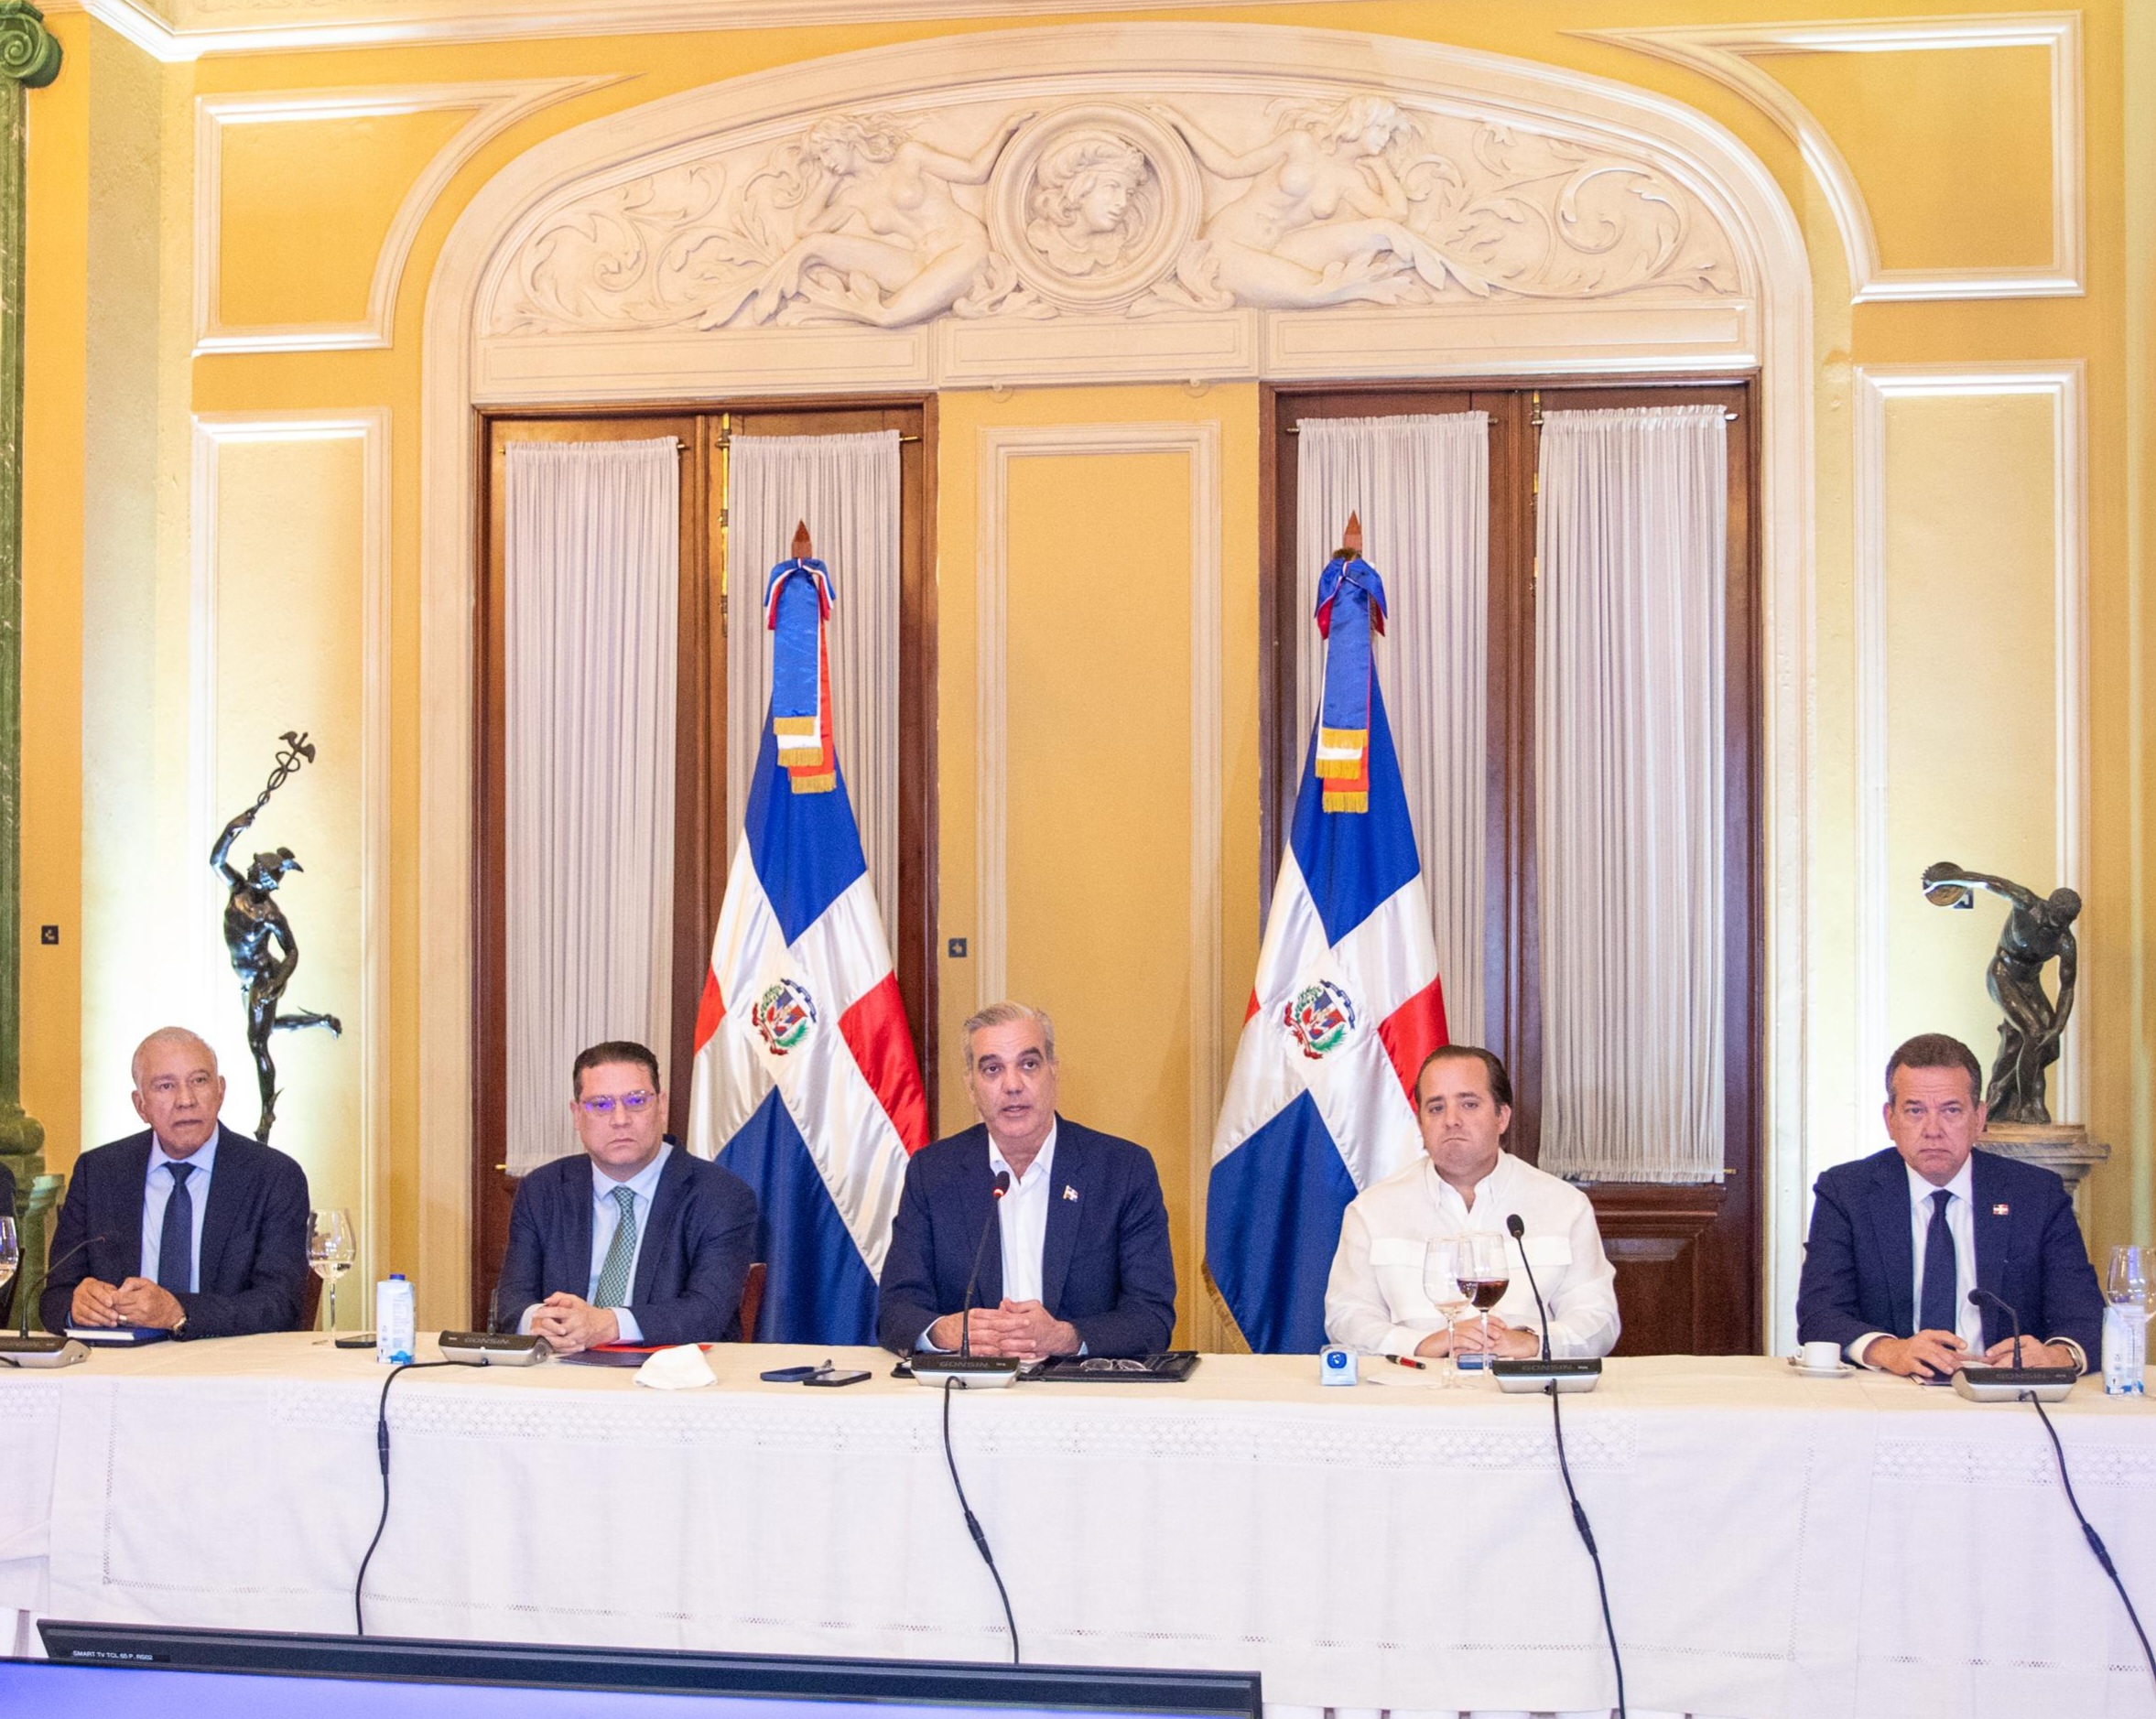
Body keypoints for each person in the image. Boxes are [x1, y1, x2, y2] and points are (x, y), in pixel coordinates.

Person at [877, 1002, 1176, 1360]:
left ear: (1053, 1072)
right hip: (970, 1384)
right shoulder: (933, 1173)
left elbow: (1152, 1318)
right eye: (992, 1069)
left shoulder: (1122, 1171)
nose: (1013, 1085)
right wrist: (946, 1332)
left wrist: (1066, 1338)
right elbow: (895, 1311)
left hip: (1080, 1387)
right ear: (971, 1087)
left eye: (1029, 1064)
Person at [1796, 1031, 2103, 1377]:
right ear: (1890, 1120)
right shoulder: (1847, 1192)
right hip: (1891, 1387)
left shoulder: (2035, 1195)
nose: (1933, 1129)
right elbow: (1819, 1316)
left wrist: (2056, 1355)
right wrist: (1890, 1350)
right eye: (1915, 1111)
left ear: (1979, 1118)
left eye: (1951, 1110)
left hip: (2003, 1393)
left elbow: (2085, 1317)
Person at [1325, 1044, 1620, 1360]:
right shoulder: (1372, 1211)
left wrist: (1534, 1343)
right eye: (1436, 1108)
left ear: (1502, 1117)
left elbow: (1598, 1319)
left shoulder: (1564, 1205)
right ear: (1421, 1124)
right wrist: (1422, 1344)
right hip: (1416, 1384)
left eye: (1469, 1104)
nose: (1451, 1120)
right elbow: (1346, 1317)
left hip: (1524, 1385)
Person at [40, 1027, 309, 1338]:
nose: (186, 1100)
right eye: (166, 1086)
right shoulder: (99, 1172)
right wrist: (77, 1307)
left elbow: (280, 1305)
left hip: (228, 1359)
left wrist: (178, 1313)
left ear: (220, 1091)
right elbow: (54, 1297)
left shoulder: (273, 1175)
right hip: (120, 1361)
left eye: (199, 1081)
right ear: (140, 1105)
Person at [495, 1040, 759, 1353]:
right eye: (600, 1105)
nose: (620, 1119)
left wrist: (608, 1324)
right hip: (560, 1366)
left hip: (670, 1373)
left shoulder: (720, 1195)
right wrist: (540, 1321)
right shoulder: (543, 1190)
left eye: (636, 1101)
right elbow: (512, 1302)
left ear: (661, 1106)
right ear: (577, 1115)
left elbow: (708, 1312)